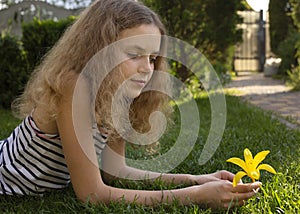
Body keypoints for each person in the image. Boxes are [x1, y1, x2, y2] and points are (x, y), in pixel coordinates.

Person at [0, 0, 260, 209]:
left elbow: (114, 171)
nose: (147, 69)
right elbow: (92, 194)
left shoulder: (120, 94)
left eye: (153, 58)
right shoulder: (74, 85)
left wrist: (196, 180)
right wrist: (195, 195)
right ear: (99, 49)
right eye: (134, 54)